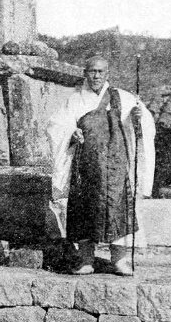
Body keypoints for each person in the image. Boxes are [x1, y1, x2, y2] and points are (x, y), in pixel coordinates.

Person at [47, 55, 155, 276]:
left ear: (107, 73)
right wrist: (71, 133)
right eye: (92, 71)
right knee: (84, 210)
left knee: (118, 209)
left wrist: (138, 118)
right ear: (85, 73)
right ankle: (86, 260)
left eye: (100, 71)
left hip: (116, 167)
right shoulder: (74, 100)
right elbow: (56, 126)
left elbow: (143, 125)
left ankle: (120, 260)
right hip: (86, 165)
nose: (96, 76)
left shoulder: (124, 98)